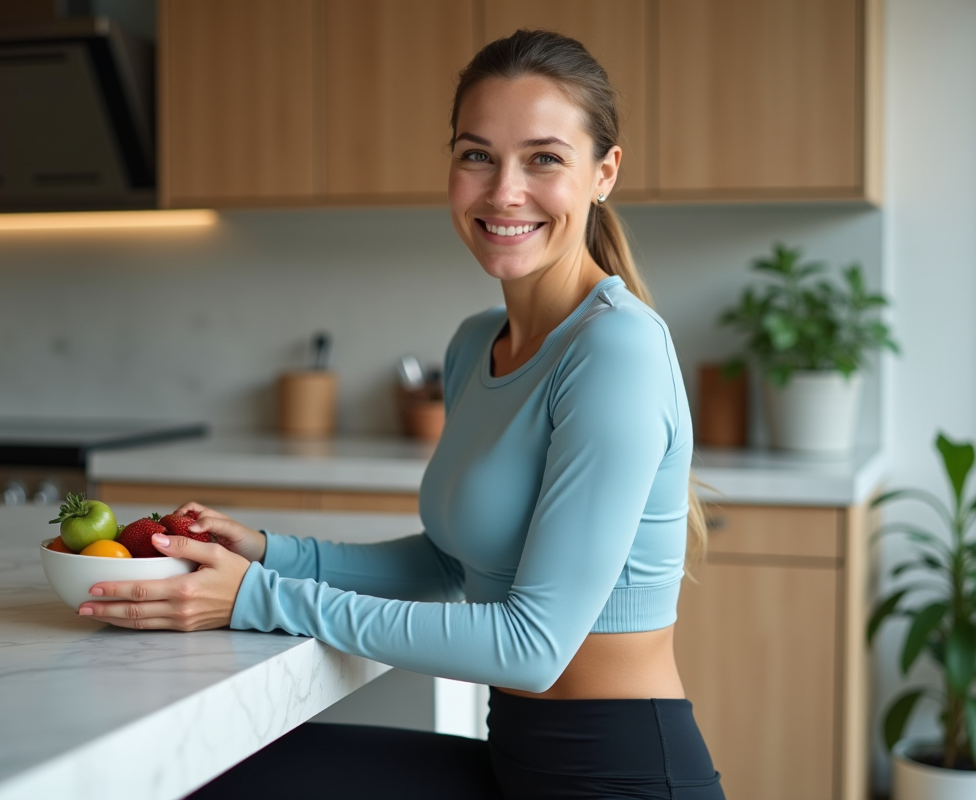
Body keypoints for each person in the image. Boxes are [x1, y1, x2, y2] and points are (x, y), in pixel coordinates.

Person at [78, 29, 725, 800]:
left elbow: (534, 648)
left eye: (544, 158)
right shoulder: (473, 346)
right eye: (476, 154)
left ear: (603, 173)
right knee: (209, 772)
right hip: (512, 760)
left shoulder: (616, 348)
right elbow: (454, 566)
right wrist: (269, 552)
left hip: (619, 775)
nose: (503, 191)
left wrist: (260, 599)